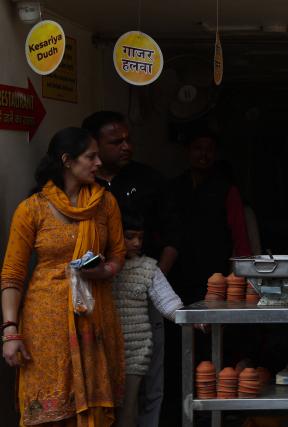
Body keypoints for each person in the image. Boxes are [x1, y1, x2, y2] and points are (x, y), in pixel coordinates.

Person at [1, 127, 126, 426]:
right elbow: (12, 275)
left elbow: (118, 254)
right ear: (67, 160)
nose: (98, 163)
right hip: (46, 324)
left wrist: (104, 270)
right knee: (50, 406)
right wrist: (10, 331)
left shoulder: (105, 204)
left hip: (95, 317)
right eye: (91, 157)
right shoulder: (32, 209)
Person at [82, 111, 180, 427]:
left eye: (128, 139)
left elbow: (172, 236)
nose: (126, 146)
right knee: (105, 376)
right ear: (93, 146)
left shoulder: (149, 180)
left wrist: (151, 278)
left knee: (149, 375)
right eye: (116, 141)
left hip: (145, 291)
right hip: (98, 291)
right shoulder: (82, 186)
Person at [111, 210, 185, 427]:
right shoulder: (101, 267)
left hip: (136, 350)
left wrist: (192, 320)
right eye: (130, 236)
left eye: (140, 238)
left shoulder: (147, 268)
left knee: (128, 409)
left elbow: (168, 302)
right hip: (104, 348)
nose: (136, 243)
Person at [166, 129, 252, 304]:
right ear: (188, 151)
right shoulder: (174, 188)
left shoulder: (227, 190)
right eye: (198, 148)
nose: (204, 154)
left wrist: (241, 275)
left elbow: (240, 235)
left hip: (215, 273)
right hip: (180, 271)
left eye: (210, 149)